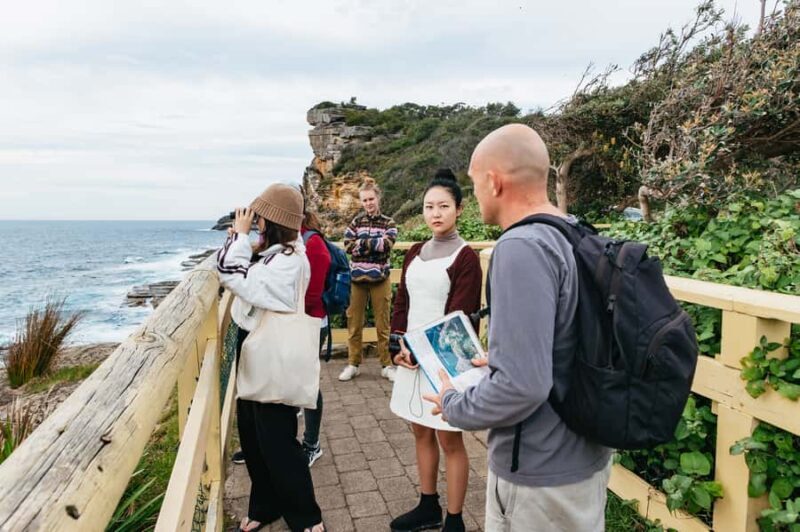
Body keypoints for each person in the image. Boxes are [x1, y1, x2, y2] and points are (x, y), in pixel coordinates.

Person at [425, 125, 612, 532]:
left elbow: (523, 387)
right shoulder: (575, 232)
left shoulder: (520, 248)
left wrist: (456, 405)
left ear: (493, 182)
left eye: (474, 184)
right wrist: (506, 356)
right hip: (585, 455)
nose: (474, 196)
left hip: (539, 474)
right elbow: (567, 337)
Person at [217, 183, 325, 532]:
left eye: (258, 217)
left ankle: (308, 518)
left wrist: (239, 237)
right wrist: (242, 239)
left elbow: (233, 275)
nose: (254, 222)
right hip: (260, 352)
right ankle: (265, 506)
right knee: (253, 436)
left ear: (270, 221)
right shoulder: (276, 253)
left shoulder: (289, 261)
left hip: (273, 355)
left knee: (278, 443)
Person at [388, 169, 482, 532]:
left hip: (443, 362)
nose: (435, 213)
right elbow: (402, 303)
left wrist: (420, 350)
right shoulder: (414, 251)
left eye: (444, 206)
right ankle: (428, 504)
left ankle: (455, 520)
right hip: (411, 357)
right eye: (429, 206)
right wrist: (397, 345)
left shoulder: (465, 258)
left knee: (449, 437)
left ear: (459, 209)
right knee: (419, 430)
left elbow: (459, 320)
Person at [339, 177, 398, 382]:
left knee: (383, 324)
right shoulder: (356, 221)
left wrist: (361, 245)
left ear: (378, 198)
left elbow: (387, 245)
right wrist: (373, 245)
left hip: (380, 279)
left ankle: (387, 365)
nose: (368, 204)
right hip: (357, 280)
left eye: (371, 199)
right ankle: (353, 364)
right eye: (364, 200)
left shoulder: (388, 222)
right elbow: (347, 245)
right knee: (354, 323)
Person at [300, 208, 331, 467]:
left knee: (309, 383)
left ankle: (312, 444)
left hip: (311, 322)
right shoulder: (288, 239)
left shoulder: (313, 242)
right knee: (296, 379)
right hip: (298, 322)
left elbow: (313, 292)